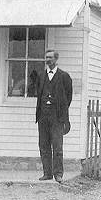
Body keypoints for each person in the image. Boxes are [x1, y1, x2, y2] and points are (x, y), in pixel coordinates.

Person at [35, 49, 72, 183]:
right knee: (44, 145)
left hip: (57, 117)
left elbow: (68, 97)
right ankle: (47, 173)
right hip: (43, 116)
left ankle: (58, 174)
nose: (48, 60)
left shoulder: (64, 76)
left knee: (57, 146)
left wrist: (60, 112)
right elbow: (38, 93)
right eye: (46, 57)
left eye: (50, 57)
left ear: (56, 59)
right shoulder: (41, 76)